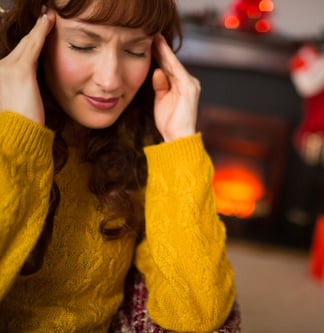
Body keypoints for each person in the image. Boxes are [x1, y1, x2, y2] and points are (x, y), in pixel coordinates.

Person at [0, 0, 237, 332]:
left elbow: (199, 313)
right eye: (83, 45)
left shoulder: (139, 145)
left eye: (136, 51)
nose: (110, 80)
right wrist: (17, 141)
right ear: (35, 36)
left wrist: (179, 140)